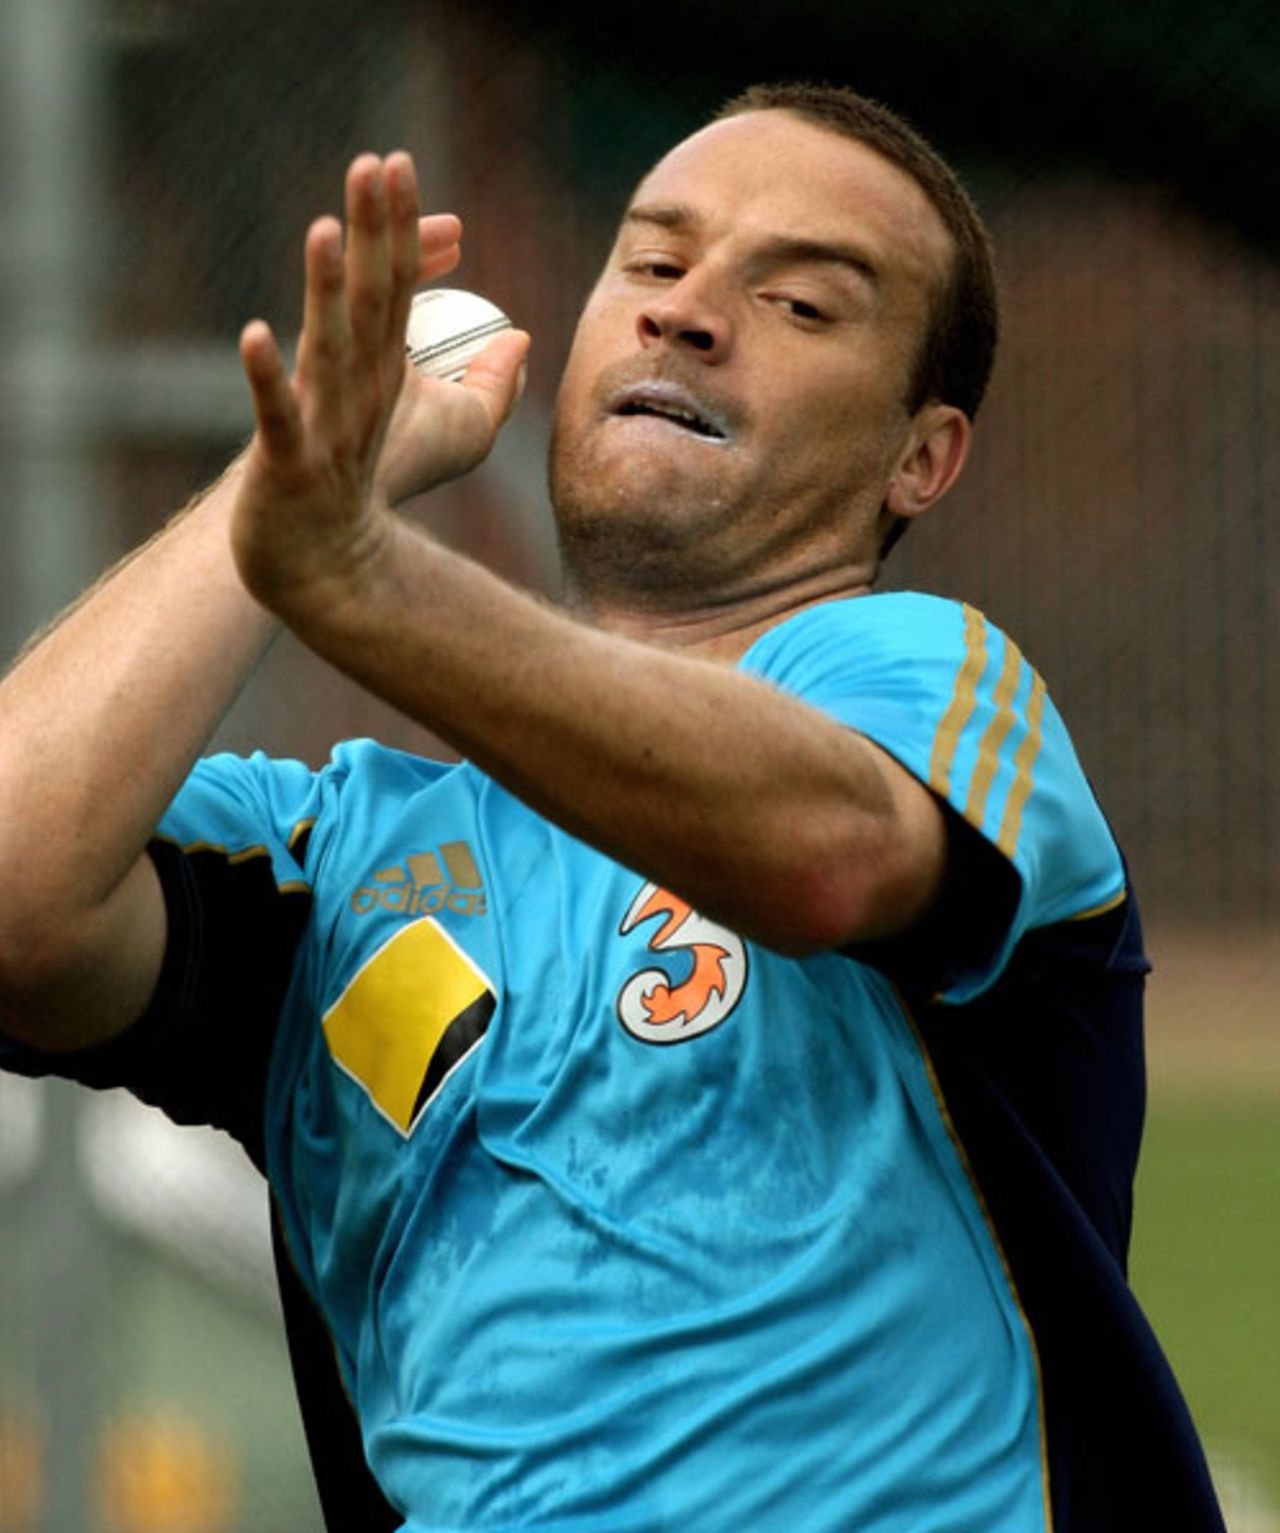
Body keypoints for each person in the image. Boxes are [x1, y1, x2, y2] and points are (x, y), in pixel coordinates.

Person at [0, 82, 1224, 1531]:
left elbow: (824, 854)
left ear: (923, 456)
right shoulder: (333, 855)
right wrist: (285, 493)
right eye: (651, 262)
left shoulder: (930, 688)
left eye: (804, 305)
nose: (688, 312)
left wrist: (366, 582)